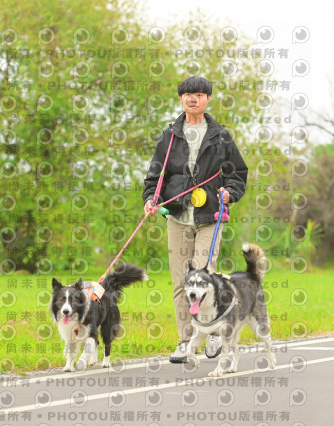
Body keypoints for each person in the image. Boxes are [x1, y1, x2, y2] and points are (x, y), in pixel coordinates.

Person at [142, 76, 248, 363]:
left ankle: (212, 333)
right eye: (188, 94)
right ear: (181, 98)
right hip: (177, 215)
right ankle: (185, 341)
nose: (193, 98)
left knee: (205, 276)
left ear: (207, 99)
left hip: (210, 216)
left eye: (199, 94)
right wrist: (151, 199)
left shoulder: (221, 136)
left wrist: (230, 192)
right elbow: (155, 175)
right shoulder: (169, 135)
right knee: (181, 281)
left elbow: (238, 174)